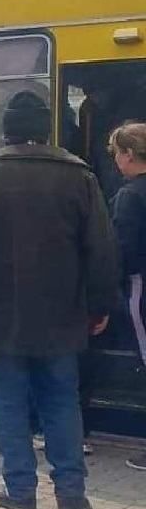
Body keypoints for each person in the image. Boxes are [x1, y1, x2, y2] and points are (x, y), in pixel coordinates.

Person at [0, 91, 119, 509]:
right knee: (61, 401)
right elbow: (102, 249)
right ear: (45, 130)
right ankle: (71, 494)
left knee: (10, 403)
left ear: (7, 131)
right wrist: (100, 304)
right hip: (62, 314)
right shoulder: (80, 176)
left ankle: (21, 491)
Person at [108, 122, 146, 472]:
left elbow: (122, 250)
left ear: (129, 154)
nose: (116, 160)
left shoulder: (131, 196)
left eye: (116, 153)